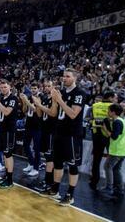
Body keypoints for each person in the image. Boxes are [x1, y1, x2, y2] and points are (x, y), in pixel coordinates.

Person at [40, 68, 86, 206]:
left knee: (72, 165)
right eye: (63, 76)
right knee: (57, 163)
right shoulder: (61, 92)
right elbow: (53, 114)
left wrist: (59, 100)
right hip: (58, 132)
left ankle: (70, 194)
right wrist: (54, 101)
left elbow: (73, 114)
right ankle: (55, 189)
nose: (64, 78)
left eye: (67, 76)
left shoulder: (80, 93)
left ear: (75, 78)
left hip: (72, 135)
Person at [32, 80, 57, 192]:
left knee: (50, 158)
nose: (46, 88)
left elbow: (52, 113)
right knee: (47, 158)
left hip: (52, 131)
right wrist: (37, 105)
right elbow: (39, 114)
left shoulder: (54, 99)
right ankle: (48, 180)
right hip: (45, 130)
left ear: (53, 87)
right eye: (45, 86)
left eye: (49, 86)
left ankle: (49, 182)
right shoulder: (46, 98)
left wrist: (39, 105)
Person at [89, 91, 117, 190]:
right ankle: (113, 184)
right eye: (114, 97)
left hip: (96, 134)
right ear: (110, 97)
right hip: (109, 135)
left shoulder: (95, 105)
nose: (115, 99)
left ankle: (94, 181)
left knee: (96, 160)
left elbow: (91, 118)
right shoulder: (114, 106)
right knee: (113, 160)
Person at [102, 103, 125, 198]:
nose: (107, 112)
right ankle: (119, 189)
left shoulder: (117, 122)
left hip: (117, 150)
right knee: (117, 169)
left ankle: (109, 187)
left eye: (109, 110)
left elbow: (114, 136)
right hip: (123, 150)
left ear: (113, 112)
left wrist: (105, 129)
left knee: (107, 167)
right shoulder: (120, 120)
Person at [0, 80, 19, 189]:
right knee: (5, 154)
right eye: (1, 87)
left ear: (10, 87)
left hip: (9, 130)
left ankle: (10, 180)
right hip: (2, 129)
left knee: (8, 154)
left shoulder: (13, 98)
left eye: (5, 87)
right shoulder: (1, 98)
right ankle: (6, 175)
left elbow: (6, 112)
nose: (3, 89)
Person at [20, 83, 42, 177]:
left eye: (35, 88)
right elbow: (24, 110)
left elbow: (35, 109)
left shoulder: (40, 97)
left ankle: (36, 168)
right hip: (28, 125)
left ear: (38, 88)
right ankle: (31, 163)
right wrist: (24, 102)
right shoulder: (29, 97)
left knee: (36, 148)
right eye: (32, 88)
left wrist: (27, 101)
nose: (33, 90)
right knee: (25, 145)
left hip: (37, 126)